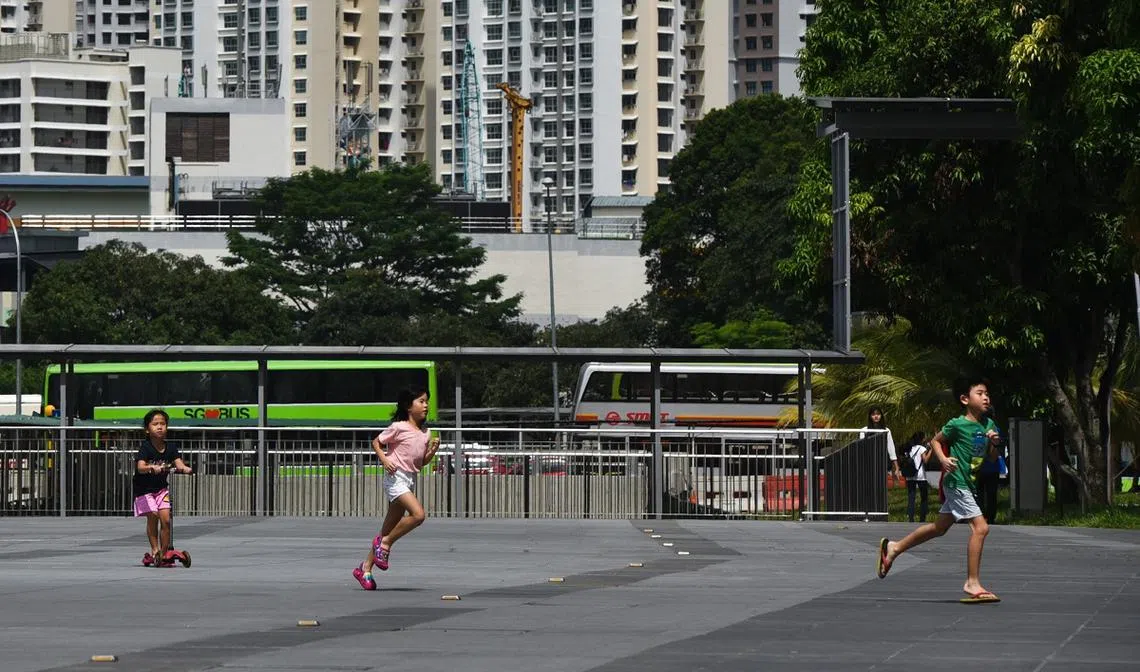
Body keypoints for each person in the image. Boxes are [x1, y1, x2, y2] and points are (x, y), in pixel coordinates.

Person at [877, 376, 1002, 603]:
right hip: (956, 482)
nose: (986, 397)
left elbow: (992, 457)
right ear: (965, 399)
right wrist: (943, 459)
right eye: (980, 393)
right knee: (981, 528)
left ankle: (894, 548)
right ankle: (972, 582)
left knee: (939, 527)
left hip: (969, 483)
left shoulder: (989, 425)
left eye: (987, 394)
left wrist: (994, 443)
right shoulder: (957, 424)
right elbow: (935, 441)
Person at [353, 387, 440, 590]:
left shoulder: (426, 433)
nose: (426, 405)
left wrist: (432, 451)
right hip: (395, 479)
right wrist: (384, 459)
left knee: (387, 529)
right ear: (408, 406)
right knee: (418, 515)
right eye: (421, 401)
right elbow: (377, 442)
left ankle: (365, 568)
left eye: (427, 401)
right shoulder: (399, 427)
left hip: (409, 479)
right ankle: (385, 545)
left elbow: (420, 464)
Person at [133, 409, 191, 567]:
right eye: (155, 424)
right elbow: (140, 467)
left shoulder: (170, 447)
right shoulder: (146, 447)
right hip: (144, 491)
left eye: (163, 424)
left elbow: (178, 462)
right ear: (147, 429)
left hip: (161, 490)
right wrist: (151, 467)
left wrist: (185, 468)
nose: (159, 427)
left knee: (166, 519)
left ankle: (164, 553)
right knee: (153, 515)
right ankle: (155, 550)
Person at [863, 407, 901, 483]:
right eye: (873, 414)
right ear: (870, 416)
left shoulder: (886, 431)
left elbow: (891, 449)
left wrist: (896, 467)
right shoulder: (864, 430)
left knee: (881, 485)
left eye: (878, 414)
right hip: (867, 464)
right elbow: (861, 449)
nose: (876, 416)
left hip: (882, 463)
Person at [904, 431, 932, 523]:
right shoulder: (921, 448)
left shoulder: (908, 448)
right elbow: (926, 460)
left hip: (910, 476)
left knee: (911, 497)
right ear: (921, 439)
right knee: (924, 497)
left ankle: (911, 518)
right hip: (920, 476)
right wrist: (931, 450)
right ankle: (922, 518)